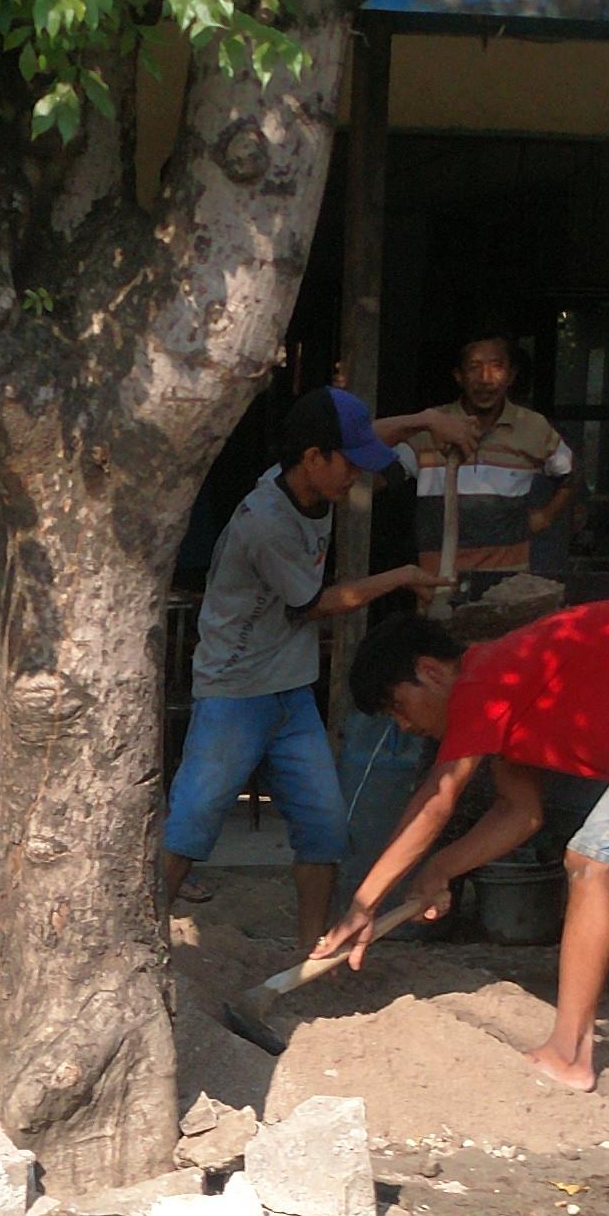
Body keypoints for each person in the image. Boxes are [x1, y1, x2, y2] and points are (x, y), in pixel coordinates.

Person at [316, 600, 609, 1095]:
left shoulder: (484, 682)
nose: (405, 727)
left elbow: (438, 799)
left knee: (591, 861)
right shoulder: (511, 687)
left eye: (398, 707)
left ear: (430, 671)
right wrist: (442, 868)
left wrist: (362, 903)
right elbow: (519, 813)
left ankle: (569, 1053)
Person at [158, 386, 462, 946]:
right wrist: (401, 577)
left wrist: (424, 418)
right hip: (234, 690)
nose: (356, 477)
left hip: (292, 690)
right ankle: (143, 941)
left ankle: (312, 951)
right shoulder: (265, 523)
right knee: (192, 824)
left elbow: (371, 437)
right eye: (348, 464)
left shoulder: (307, 468)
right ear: (314, 458)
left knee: (324, 829)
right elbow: (317, 604)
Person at [408, 332, 579, 581]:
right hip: (437, 584)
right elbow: (382, 473)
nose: (485, 379)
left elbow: (571, 475)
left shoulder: (532, 427)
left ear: (511, 377)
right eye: (474, 368)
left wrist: (544, 517)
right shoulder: (431, 424)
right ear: (459, 376)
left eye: (496, 367)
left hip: (507, 587)